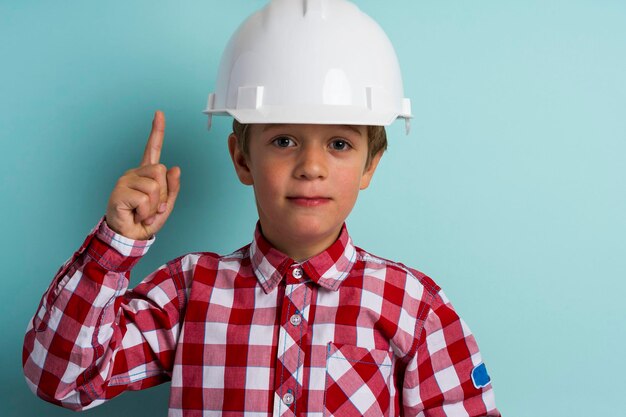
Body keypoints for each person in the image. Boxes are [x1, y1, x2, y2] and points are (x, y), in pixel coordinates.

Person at [22, 1, 501, 416]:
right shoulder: (191, 292)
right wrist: (116, 243)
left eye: (338, 143)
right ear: (242, 158)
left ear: (369, 166)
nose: (310, 166)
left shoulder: (414, 307)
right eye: (284, 140)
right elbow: (61, 379)